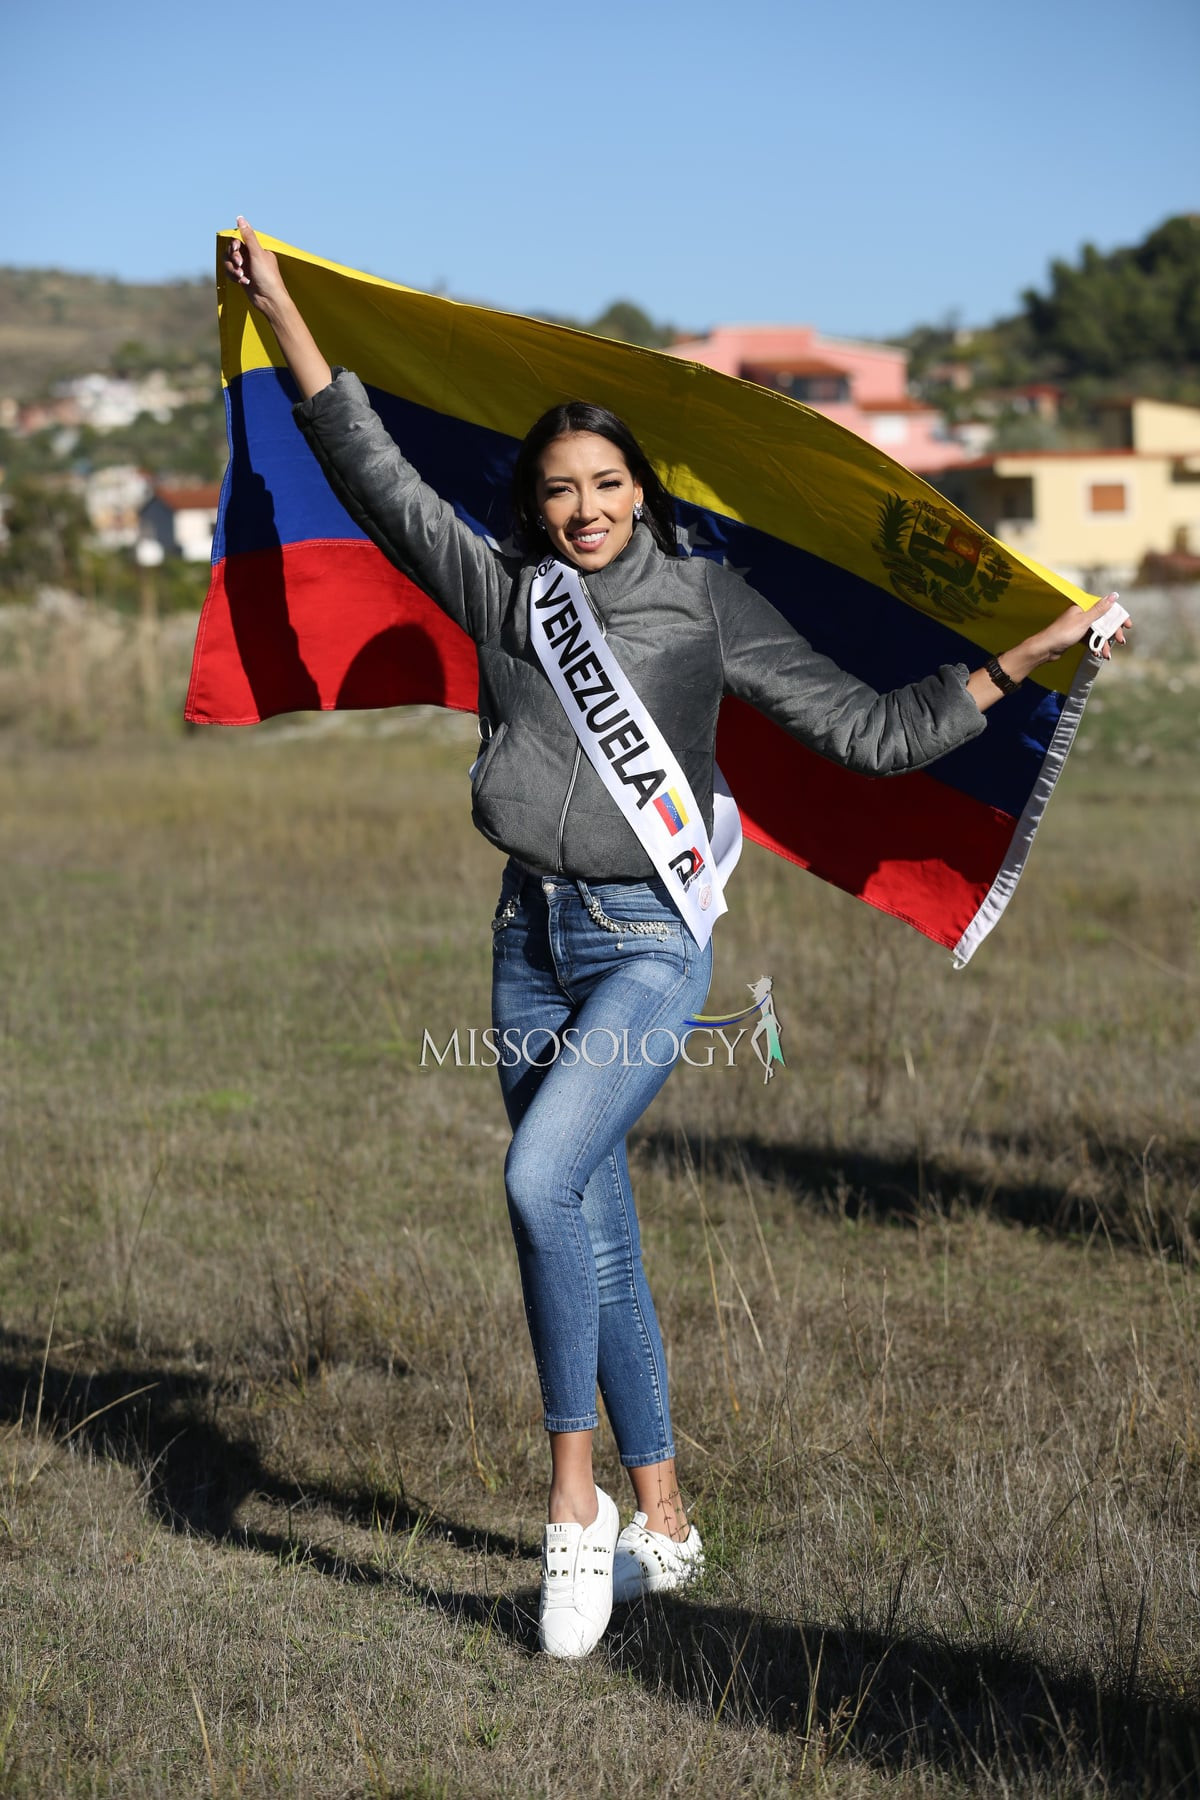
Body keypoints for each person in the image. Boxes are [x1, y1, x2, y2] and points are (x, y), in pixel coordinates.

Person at [224, 220, 1129, 1658]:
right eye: (560, 491)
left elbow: (868, 731)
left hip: (650, 945)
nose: (585, 509)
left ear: (641, 488)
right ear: (538, 505)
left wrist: (1023, 655)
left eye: (606, 484)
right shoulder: (510, 597)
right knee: (595, 1223)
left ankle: (571, 1508)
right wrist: (280, 311)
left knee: (535, 1181)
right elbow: (368, 465)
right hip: (529, 940)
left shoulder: (704, 601)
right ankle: (669, 1521)